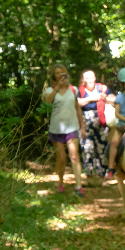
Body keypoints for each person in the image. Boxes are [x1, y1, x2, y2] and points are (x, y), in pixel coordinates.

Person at [43, 63, 87, 196]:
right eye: (57, 73)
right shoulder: (50, 90)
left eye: (62, 72)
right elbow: (47, 102)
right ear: (54, 76)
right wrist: (58, 88)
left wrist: (83, 126)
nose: (60, 75)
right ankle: (60, 183)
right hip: (56, 128)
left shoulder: (73, 90)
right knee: (61, 157)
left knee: (74, 156)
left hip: (72, 127)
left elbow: (77, 107)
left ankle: (78, 186)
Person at [76, 69, 114, 184]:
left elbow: (114, 99)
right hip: (84, 122)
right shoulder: (80, 91)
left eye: (91, 77)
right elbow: (77, 103)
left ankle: (103, 178)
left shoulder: (103, 88)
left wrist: (105, 97)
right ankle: (90, 178)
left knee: (102, 149)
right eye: (86, 78)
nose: (89, 80)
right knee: (87, 149)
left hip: (101, 122)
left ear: (95, 78)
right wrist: (91, 98)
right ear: (83, 80)